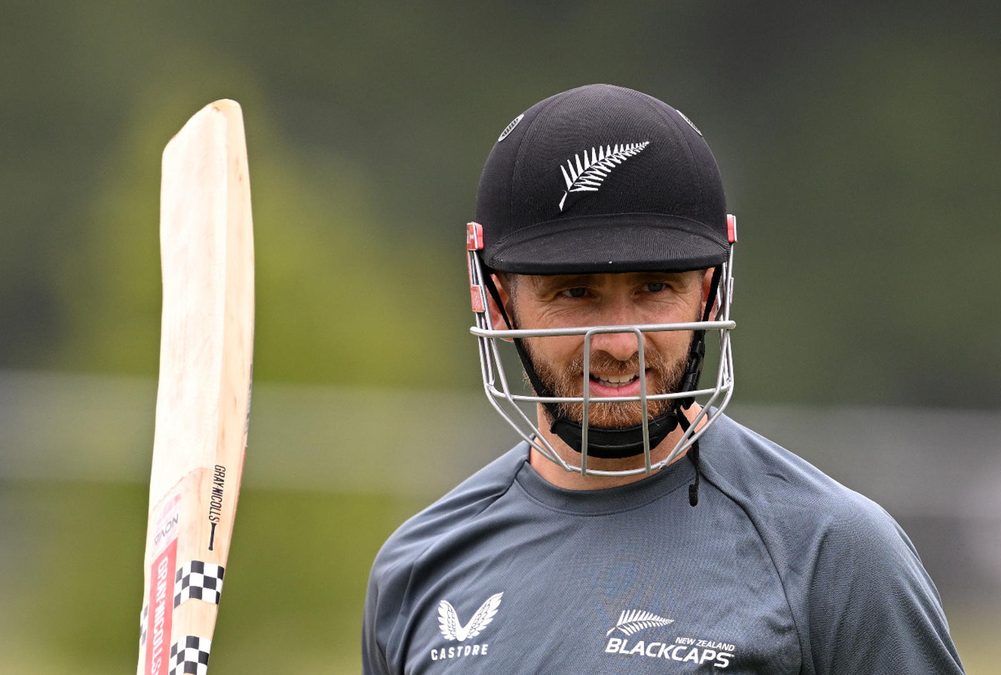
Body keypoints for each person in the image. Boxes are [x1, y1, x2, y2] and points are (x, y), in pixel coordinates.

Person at [362, 84, 963, 674]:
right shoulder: (419, 569)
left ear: (708, 291)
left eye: (655, 288)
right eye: (574, 293)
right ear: (496, 301)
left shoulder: (831, 554)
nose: (622, 344)